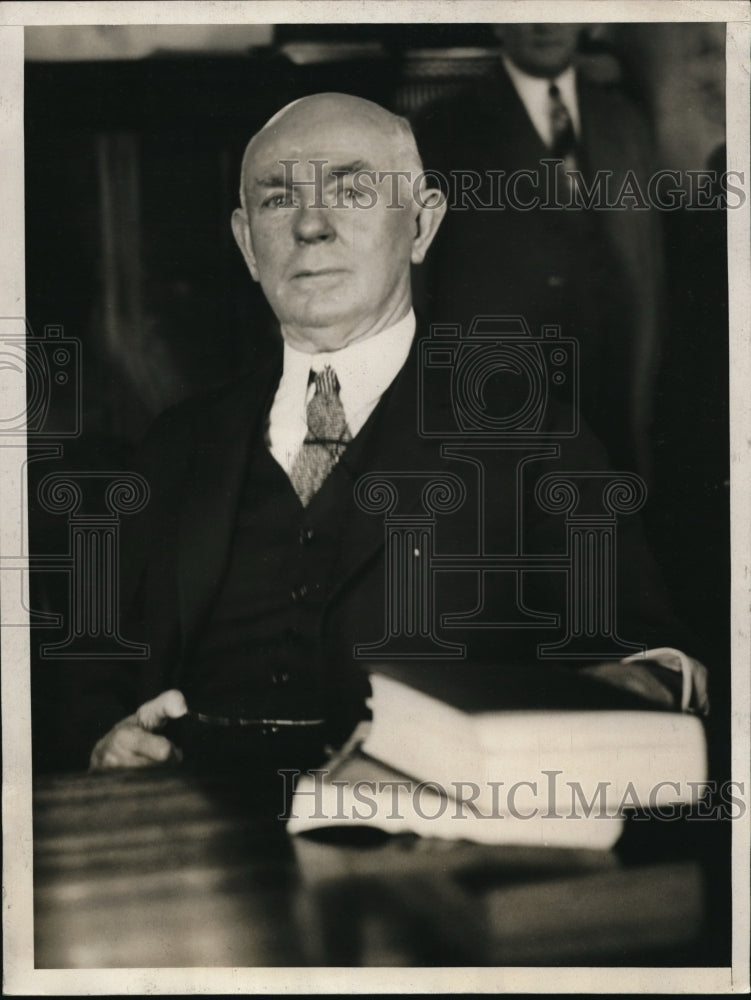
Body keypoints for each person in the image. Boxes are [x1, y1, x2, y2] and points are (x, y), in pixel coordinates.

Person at [89, 92, 705, 773]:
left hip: (426, 848)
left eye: (350, 191)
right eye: (276, 201)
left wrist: (635, 682)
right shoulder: (176, 444)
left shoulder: (530, 434)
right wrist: (103, 740)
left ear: (421, 225)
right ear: (246, 244)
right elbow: (86, 676)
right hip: (192, 840)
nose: (310, 227)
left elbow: (648, 655)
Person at [413, 24, 664, 478]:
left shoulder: (623, 121)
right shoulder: (442, 126)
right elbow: (419, 283)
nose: (545, 22)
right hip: (498, 411)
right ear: (496, 20)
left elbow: (649, 271)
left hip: (610, 406)